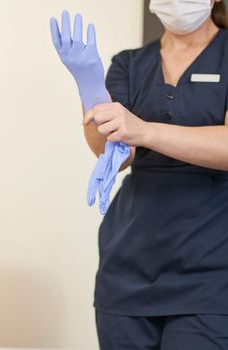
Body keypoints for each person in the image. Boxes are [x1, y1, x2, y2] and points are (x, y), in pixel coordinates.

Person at [50, 0, 228, 349]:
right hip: (128, 270)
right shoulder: (129, 63)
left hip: (210, 273)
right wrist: (90, 88)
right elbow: (114, 153)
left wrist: (144, 130)